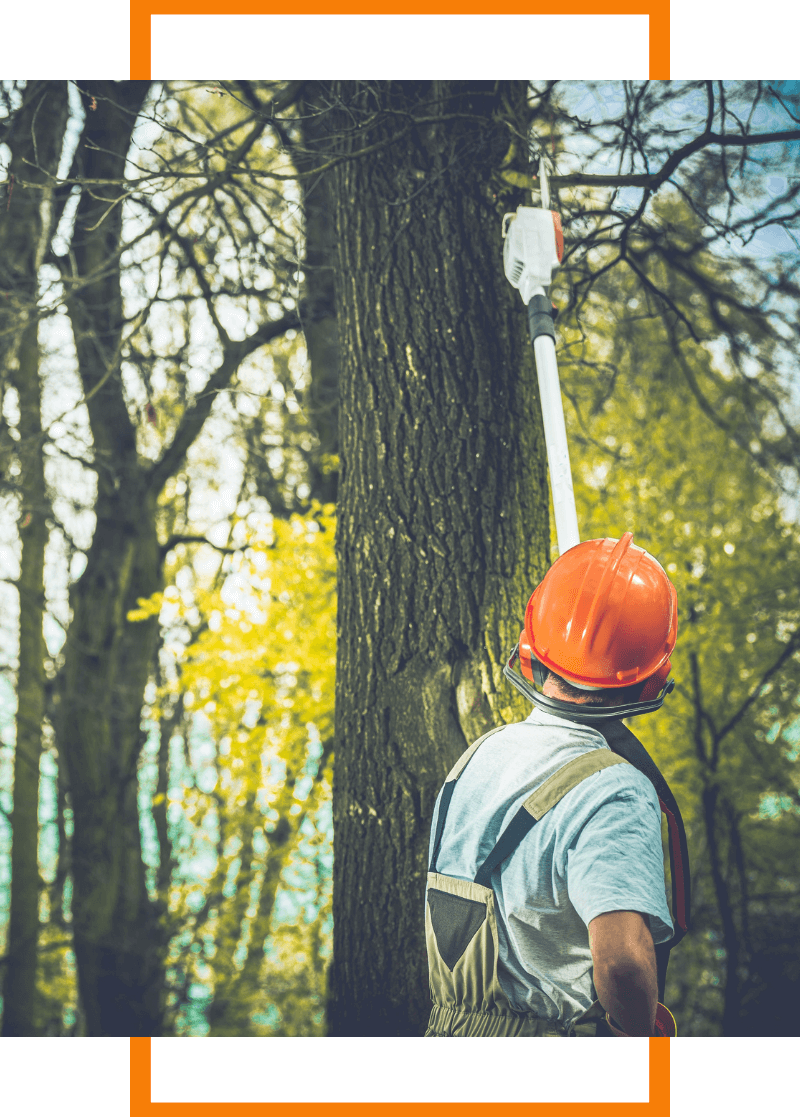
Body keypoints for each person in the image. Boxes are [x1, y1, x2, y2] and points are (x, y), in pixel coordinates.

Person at [424, 532, 689, 1038]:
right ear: (649, 678)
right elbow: (622, 964)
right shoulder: (616, 791)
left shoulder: (476, 759)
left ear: (533, 646)